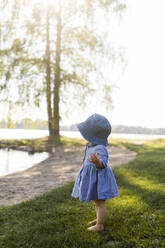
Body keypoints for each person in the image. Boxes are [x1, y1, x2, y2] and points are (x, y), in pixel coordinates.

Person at [71, 113, 119, 232]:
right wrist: (90, 144)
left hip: (99, 179)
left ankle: (100, 225)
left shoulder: (101, 148)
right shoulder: (93, 145)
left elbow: (103, 164)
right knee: (96, 201)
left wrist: (97, 162)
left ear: (93, 135)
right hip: (93, 178)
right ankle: (99, 219)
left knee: (100, 202)